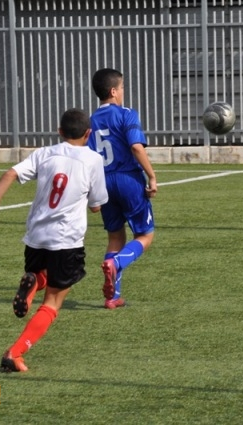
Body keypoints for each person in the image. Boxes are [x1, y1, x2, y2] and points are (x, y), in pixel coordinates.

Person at [0, 108, 108, 372]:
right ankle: (15, 352)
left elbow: (10, 173)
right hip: (66, 240)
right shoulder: (93, 159)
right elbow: (96, 206)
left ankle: (35, 280)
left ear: (59, 132)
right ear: (89, 134)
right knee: (52, 303)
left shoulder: (45, 153)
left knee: (42, 274)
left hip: (36, 237)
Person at [87, 68, 157, 310]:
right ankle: (117, 263)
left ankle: (112, 297)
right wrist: (152, 176)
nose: (124, 92)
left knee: (115, 236)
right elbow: (136, 147)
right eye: (122, 87)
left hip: (103, 182)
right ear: (114, 91)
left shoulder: (90, 121)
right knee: (145, 235)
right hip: (128, 179)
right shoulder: (126, 114)